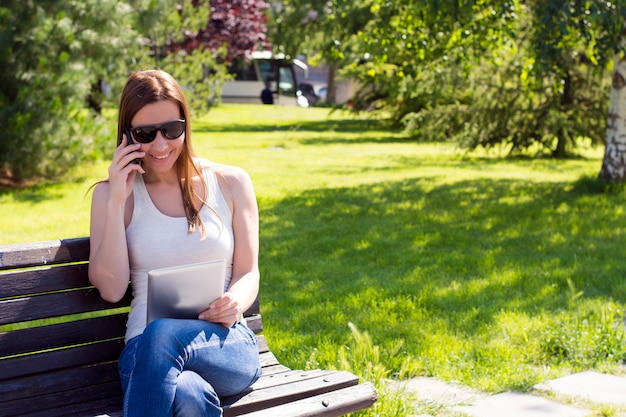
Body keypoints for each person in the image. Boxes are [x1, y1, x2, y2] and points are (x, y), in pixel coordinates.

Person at [88, 69, 262, 416]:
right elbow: (110, 289)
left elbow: (249, 273)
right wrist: (117, 200)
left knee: (163, 333)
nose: (161, 145)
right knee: (188, 394)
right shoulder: (112, 196)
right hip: (143, 351)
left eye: (171, 130)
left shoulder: (230, 182)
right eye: (145, 134)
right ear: (127, 134)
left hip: (225, 344)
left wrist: (234, 302)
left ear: (185, 124)